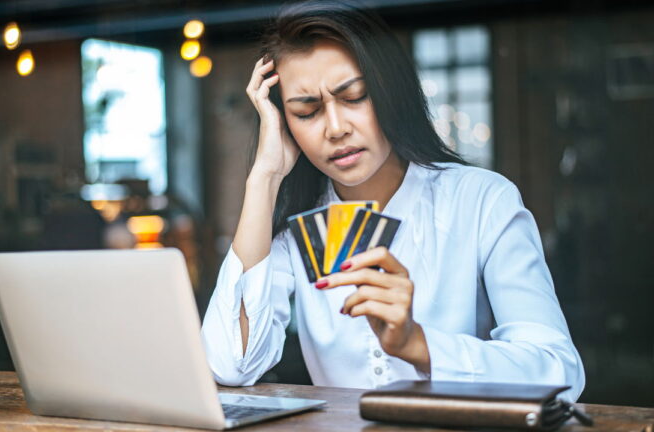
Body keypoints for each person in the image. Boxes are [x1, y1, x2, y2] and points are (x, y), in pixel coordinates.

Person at [201, 0, 585, 401]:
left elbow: (560, 373)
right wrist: (265, 177)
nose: (335, 128)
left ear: (390, 92)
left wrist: (418, 345)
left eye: (355, 97)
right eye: (307, 111)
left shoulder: (482, 200)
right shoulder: (297, 229)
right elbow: (230, 365)